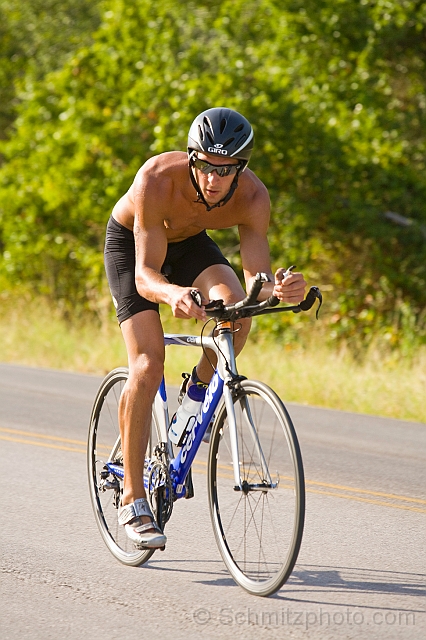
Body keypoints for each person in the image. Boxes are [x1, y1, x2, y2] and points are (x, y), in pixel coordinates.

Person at [104, 107, 307, 550]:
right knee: (148, 362)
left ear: (241, 169)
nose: (214, 179)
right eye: (205, 166)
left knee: (237, 315)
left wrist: (283, 289)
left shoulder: (253, 198)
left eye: (225, 170)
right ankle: (132, 497)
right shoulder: (158, 178)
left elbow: (258, 282)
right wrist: (174, 293)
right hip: (135, 246)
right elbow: (144, 276)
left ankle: (194, 400)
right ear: (192, 159)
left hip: (192, 243)